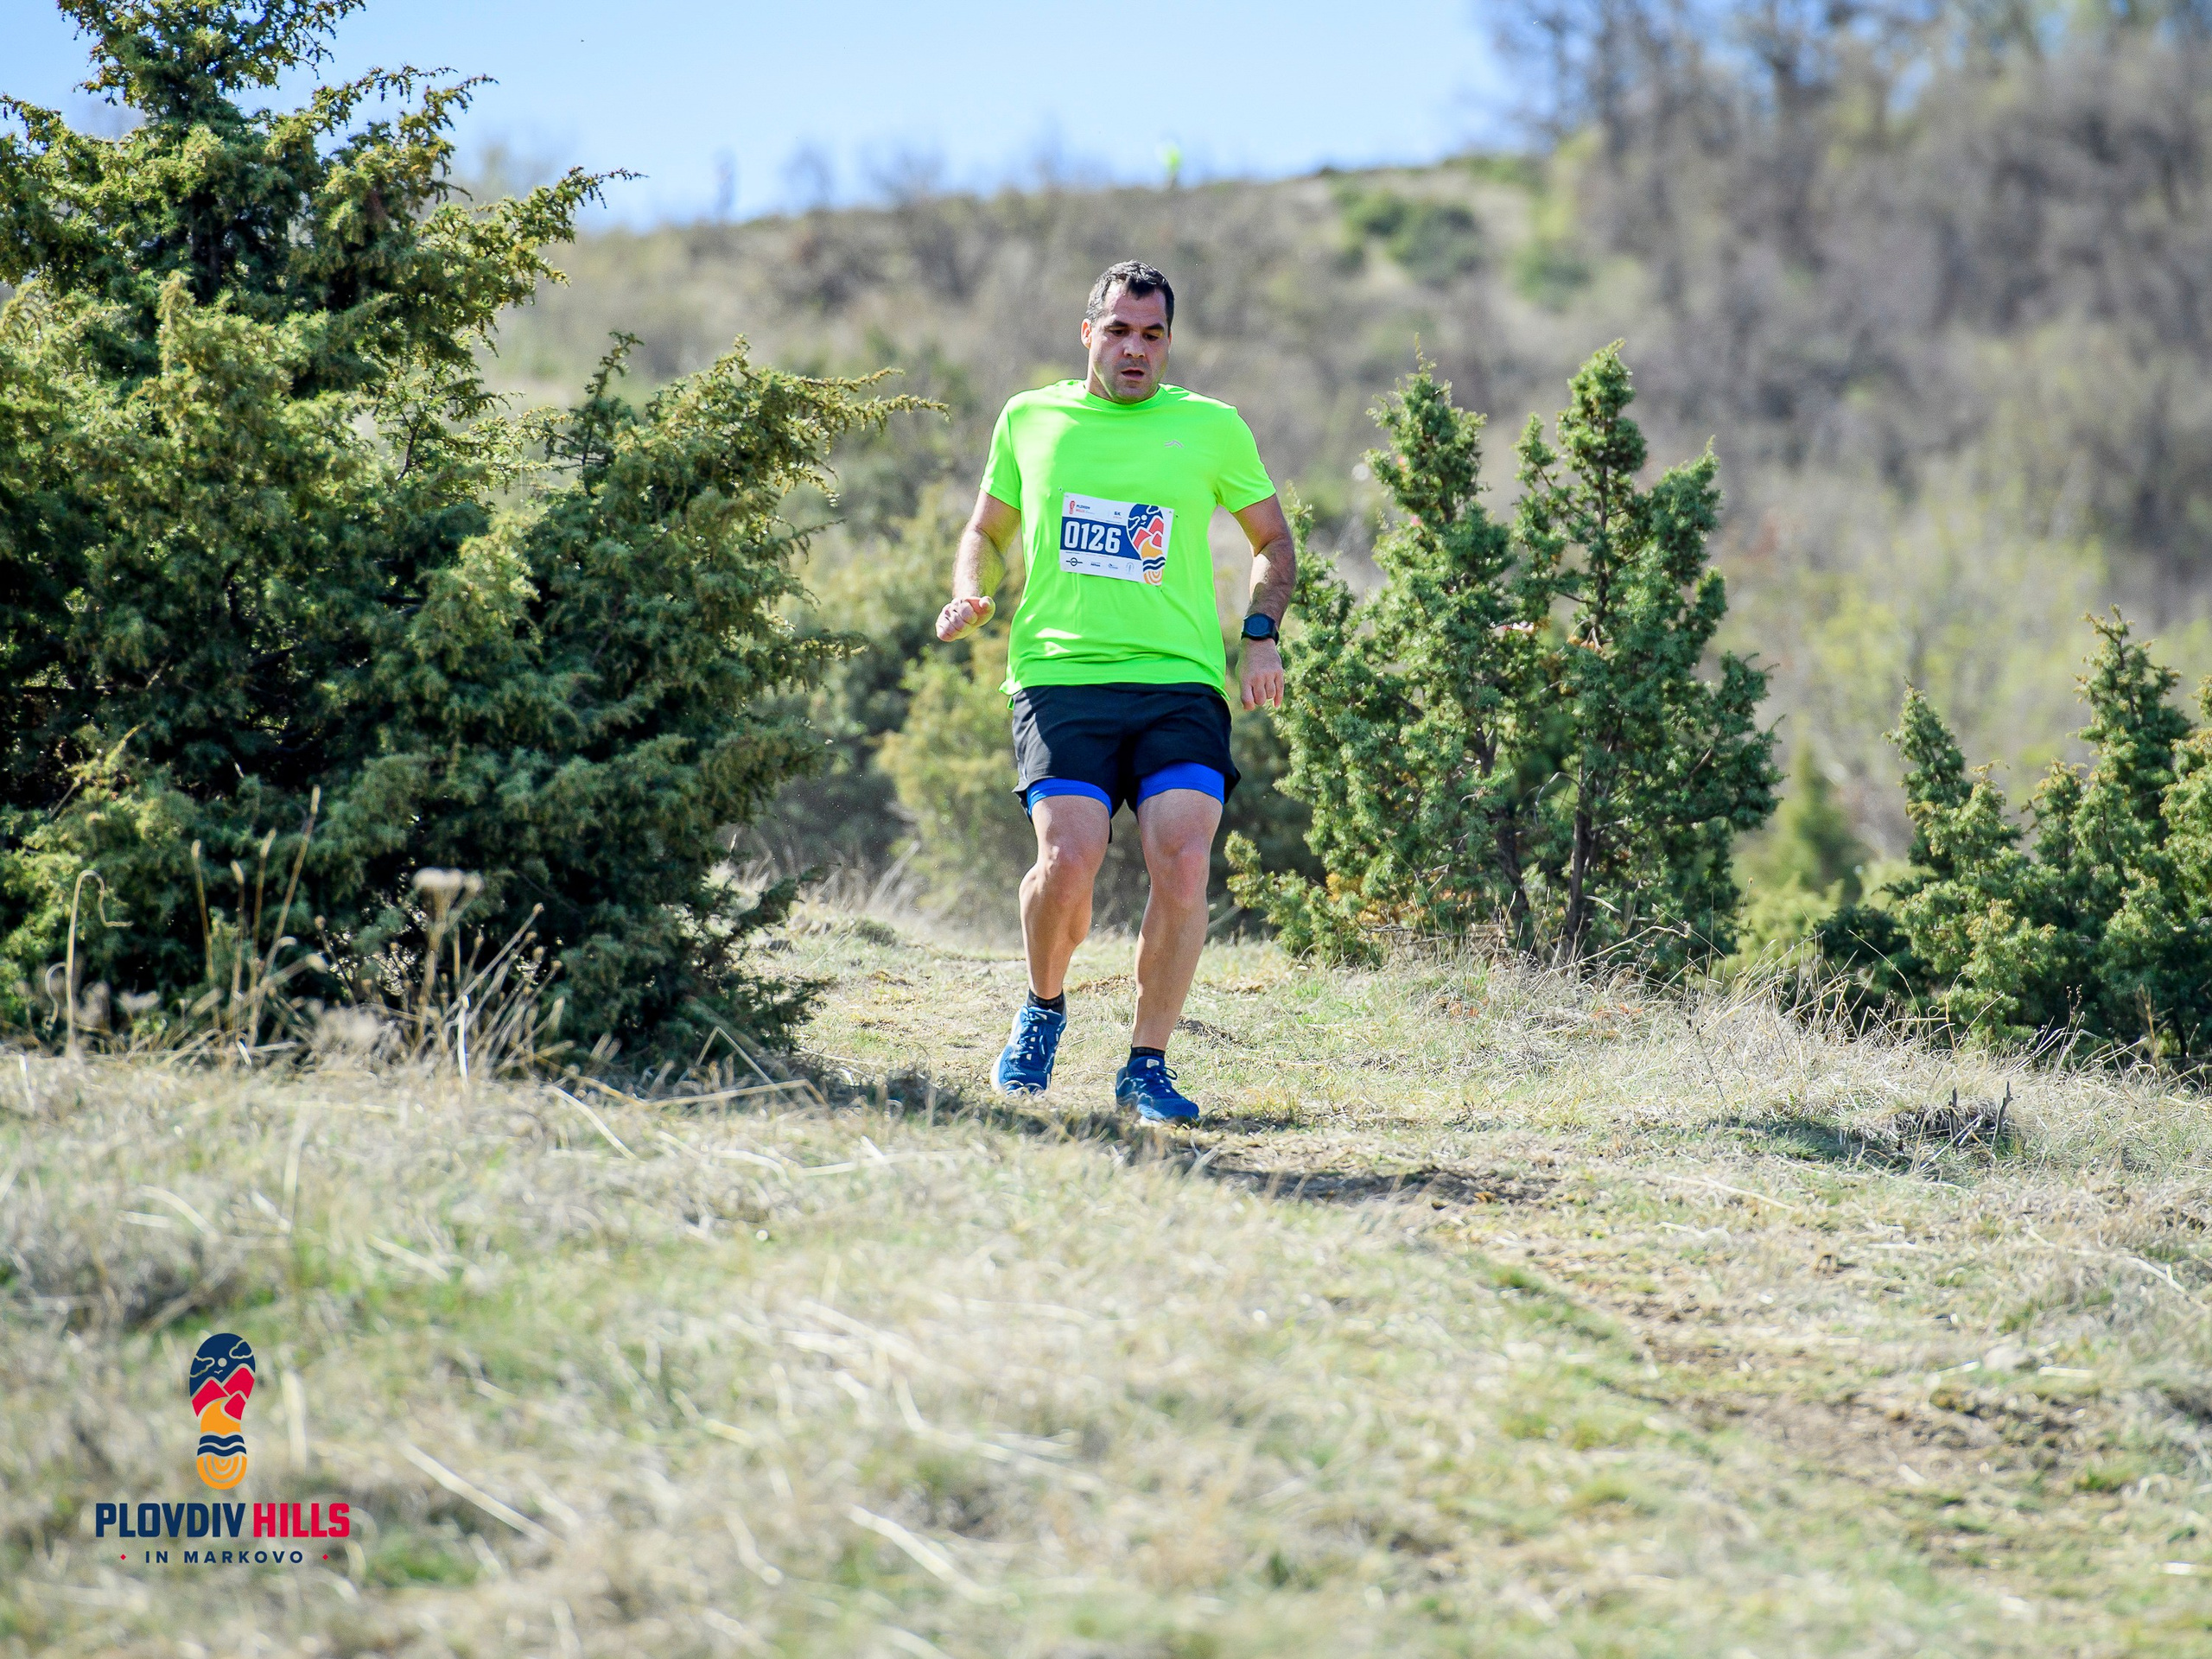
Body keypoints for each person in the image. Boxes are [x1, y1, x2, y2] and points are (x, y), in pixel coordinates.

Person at [935, 260, 1294, 1122]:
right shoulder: (1031, 418)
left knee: (1183, 857)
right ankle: (1043, 1006)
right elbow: (984, 530)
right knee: (1066, 860)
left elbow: (1272, 542)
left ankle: (1146, 1064)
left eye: (1153, 334)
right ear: (1087, 331)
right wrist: (971, 590)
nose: (1135, 349)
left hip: (1177, 683)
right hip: (1062, 676)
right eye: (1120, 330)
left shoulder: (1211, 428)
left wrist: (1259, 637)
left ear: (1169, 342)